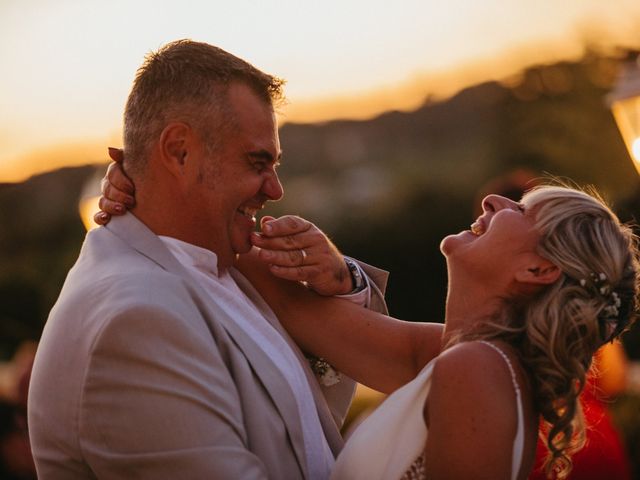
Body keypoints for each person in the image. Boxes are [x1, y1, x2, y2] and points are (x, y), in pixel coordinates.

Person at [27, 39, 389, 479]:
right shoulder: (133, 323)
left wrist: (342, 278)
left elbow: (305, 423)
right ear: (179, 150)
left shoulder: (229, 263)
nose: (275, 191)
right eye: (257, 162)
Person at [233, 185, 639, 479]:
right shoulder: (458, 355)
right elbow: (292, 306)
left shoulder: (477, 370)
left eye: (520, 210)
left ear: (537, 270)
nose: (492, 201)